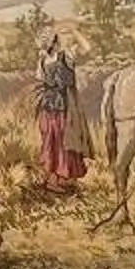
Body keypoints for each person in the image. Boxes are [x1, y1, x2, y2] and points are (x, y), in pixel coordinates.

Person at [34, 29, 86, 187]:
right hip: (54, 104)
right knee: (54, 139)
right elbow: (41, 79)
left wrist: (75, 31)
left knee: (63, 139)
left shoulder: (62, 57)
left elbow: (86, 48)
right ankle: (55, 176)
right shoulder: (46, 60)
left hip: (60, 104)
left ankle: (65, 177)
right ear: (53, 43)